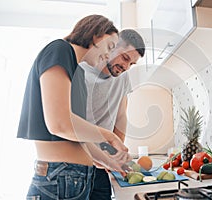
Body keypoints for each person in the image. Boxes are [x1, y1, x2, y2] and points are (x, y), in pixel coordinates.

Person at [17, 14, 132, 200]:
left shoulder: (76, 74)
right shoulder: (59, 49)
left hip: (72, 179)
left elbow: (78, 138)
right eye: (110, 47)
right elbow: (60, 124)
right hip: (60, 179)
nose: (109, 55)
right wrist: (109, 136)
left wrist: (109, 162)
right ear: (96, 36)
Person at [79, 29, 145, 199]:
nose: (126, 67)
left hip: (102, 167)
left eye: (131, 64)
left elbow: (121, 116)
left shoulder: (123, 78)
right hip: (75, 163)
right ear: (112, 47)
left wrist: (116, 154)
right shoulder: (81, 70)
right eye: (125, 58)